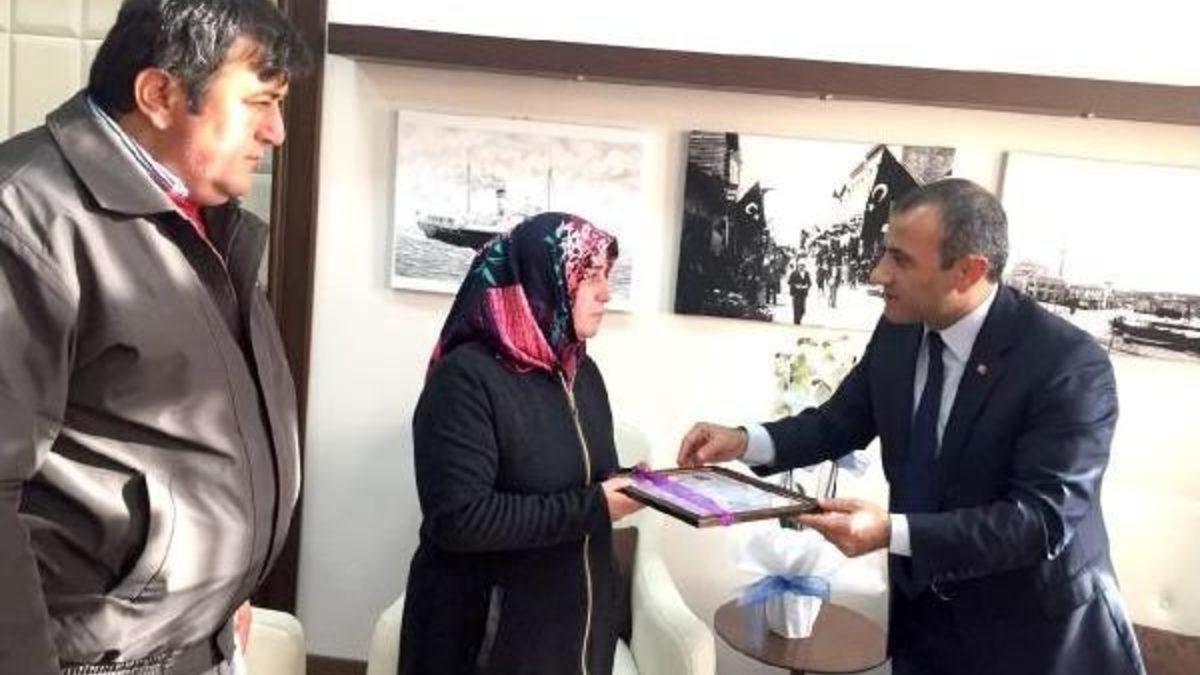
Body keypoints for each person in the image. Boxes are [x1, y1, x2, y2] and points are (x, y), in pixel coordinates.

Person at [678, 179, 1145, 675]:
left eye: (900, 260)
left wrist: (891, 532)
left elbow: (1040, 520)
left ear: (968, 271)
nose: (878, 273)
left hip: (1033, 637)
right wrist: (743, 441)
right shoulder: (898, 329)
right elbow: (837, 424)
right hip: (923, 621)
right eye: (885, 253)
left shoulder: (1067, 364)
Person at [0, 2, 311, 673]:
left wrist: (225, 589)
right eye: (259, 102)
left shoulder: (198, 212)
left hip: (199, 643)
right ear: (160, 94)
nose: (277, 131)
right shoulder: (26, 218)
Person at [400, 213, 643, 675]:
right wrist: (595, 506)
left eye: (606, 275)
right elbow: (460, 519)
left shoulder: (582, 372)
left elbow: (581, 476)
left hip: (575, 637)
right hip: (488, 645)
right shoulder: (465, 379)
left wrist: (633, 484)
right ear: (542, 279)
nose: (606, 293)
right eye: (590, 275)